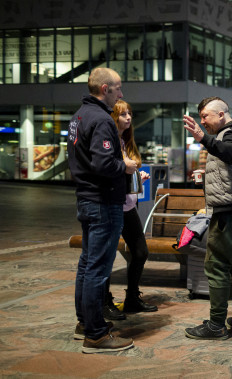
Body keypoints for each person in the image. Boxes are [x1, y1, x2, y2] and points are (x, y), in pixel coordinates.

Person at [67, 67, 138, 353]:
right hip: (102, 202)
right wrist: (127, 166)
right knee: (98, 268)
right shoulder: (101, 120)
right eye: (118, 88)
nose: (121, 94)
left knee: (87, 264)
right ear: (105, 88)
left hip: (86, 199)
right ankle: (96, 334)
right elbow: (103, 164)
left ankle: (85, 323)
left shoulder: (78, 116)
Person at [182, 97, 232, 340]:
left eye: (206, 116)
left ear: (221, 114)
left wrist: (202, 138)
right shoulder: (231, 133)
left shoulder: (230, 133)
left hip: (231, 213)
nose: (202, 121)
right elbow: (231, 165)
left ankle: (216, 324)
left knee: (216, 264)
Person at [101, 100, 157, 321]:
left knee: (141, 251)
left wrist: (136, 175)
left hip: (128, 205)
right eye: (123, 114)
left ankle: (132, 297)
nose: (128, 118)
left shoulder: (125, 142)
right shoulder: (109, 140)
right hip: (113, 205)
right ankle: (105, 301)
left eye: (130, 114)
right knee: (105, 256)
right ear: (114, 116)